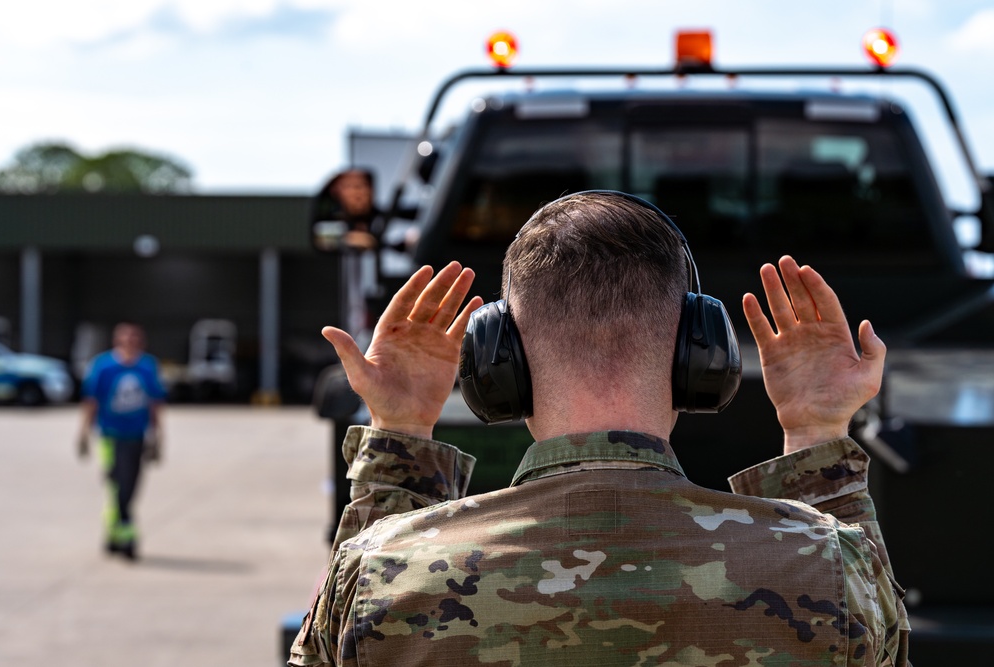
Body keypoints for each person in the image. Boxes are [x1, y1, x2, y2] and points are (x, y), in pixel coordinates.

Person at [289, 192, 909, 666]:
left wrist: (399, 431)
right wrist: (817, 432)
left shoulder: (381, 571)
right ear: (699, 360)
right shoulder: (829, 568)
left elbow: (359, 615)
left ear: (497, 365)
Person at [77, 322, 166, 561]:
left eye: (134, 337)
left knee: (131, 485)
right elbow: (91, 401)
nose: (130, 341)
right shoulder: (103, 366)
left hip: (136, 434)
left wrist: (158, 437)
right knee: (117, 484)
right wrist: (83, 433)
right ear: (117, 340)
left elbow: (155, 404)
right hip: (110, 434)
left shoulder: (147, 367)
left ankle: (113, 533)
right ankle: (127, 536)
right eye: (125, 337)